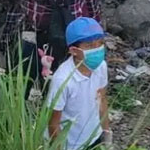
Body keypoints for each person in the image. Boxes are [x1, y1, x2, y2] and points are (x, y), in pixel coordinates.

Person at [47, 18, 111, 150]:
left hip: (94, 137)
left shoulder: (101, 67)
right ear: (74, 51)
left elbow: (102, 99)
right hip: (70, 145)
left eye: (100, 43)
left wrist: (106, 133)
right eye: (89, 46)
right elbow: (53, 123)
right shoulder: (62, 79)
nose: (97, 49)